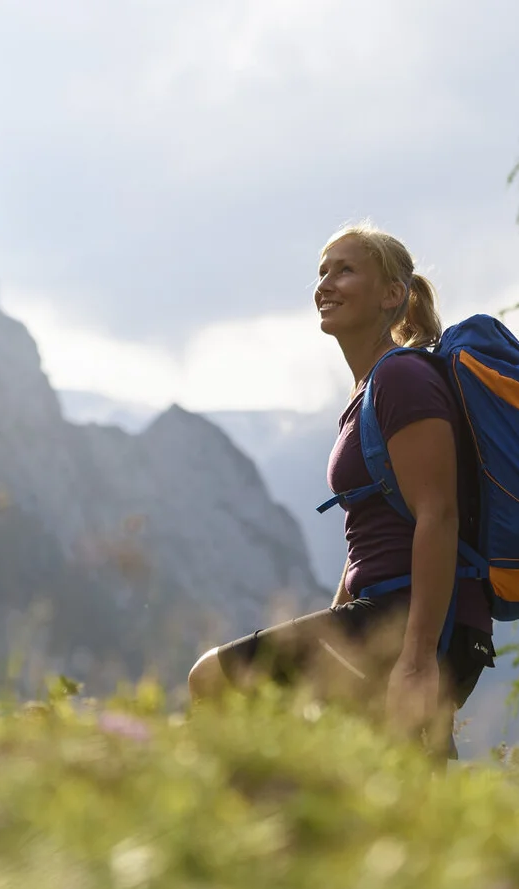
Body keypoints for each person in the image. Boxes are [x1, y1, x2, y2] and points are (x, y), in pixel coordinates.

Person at [186, 223, 494, 756]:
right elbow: (370, 539)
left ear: (393, 295)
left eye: (345, 270)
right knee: (386, 783)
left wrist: (417, 661)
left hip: (414, 625)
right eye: (322, 271)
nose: (325, 283)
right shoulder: (371, 389)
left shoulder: (403, 379)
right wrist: (337, 613)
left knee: (213, 679)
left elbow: (437, 515)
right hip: (398, 618)